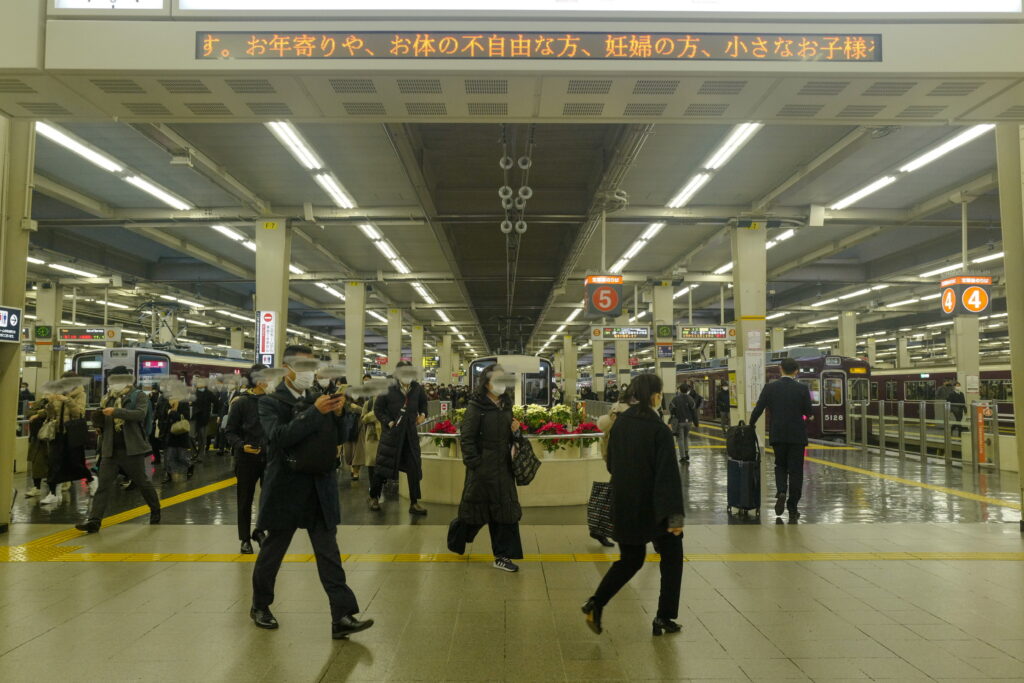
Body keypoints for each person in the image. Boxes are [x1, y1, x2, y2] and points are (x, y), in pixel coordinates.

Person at [250, 345, 373, 639]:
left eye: (311, 366)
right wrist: (314, 414)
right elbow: (279, 438)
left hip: (319, 487)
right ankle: (260, 606)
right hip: (286, 488)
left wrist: (341, 415)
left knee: (328, 553)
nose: (307, 372)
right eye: (301, 366)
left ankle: (342, 615)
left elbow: (341, 438)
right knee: (273, 552)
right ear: (286, 368)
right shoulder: (270, 402)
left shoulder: (321, 398)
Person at [582, 374, 685, 637]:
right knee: (672, 558)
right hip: (655, 509)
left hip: (625, 503)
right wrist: (674, 518)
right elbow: (667, 477)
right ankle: (663, 617)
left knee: (630, 559)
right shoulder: (659, 430)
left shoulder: (620, 425)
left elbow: (611, 463)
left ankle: (596, 603)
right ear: (655, 396)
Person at [449, 365, 524, 572]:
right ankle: (457, 535)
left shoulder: (506, 406)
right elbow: (467, 438)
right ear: (486, 383)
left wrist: (517, 432)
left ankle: (502, 556)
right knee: (475, 512)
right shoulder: (477, 407)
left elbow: (511, 437)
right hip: (483, 470)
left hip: (504, 469)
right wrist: (475, 464)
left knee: (505, 512)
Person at [75, 367, 160, 532]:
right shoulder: (108, 397)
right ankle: (94, 521)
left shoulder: (138, 395)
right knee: (103, 487)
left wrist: (116, 412)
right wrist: (98, 423)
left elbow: (140, 415)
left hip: (132, 449)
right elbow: (104, 419)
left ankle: (155, 511)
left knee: (142, 482)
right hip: (110, 450)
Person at [748, 357, 813, 521]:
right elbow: (809, 412)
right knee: (796, 471)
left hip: (778, 434)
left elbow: (758, 409)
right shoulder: (803, 389)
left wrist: (750, 425)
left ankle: (782, 490)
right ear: (796, 371)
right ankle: (793, 508)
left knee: (780, 465)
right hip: (797, 436)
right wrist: (808, 416)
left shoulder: (770, 388)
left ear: (780, 369)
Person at [370, 361, 428, 515]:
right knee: (383, 467)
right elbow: (378, 409)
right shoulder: (388, 388)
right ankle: (374, 497)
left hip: (410, 435)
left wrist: (423, 415)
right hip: (392, 435)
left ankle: (414, 502)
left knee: (414, 468)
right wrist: (388, 422)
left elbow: (423, 404)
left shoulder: (417, 388)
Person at [224, 364, 268, 554]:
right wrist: (242, 446)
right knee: (245, 499)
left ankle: (259, 530)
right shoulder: (240, 402)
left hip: (268, 458)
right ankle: (244, 539)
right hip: (246, 459)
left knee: (269, 498)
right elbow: (230, 432)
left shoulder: (272, 402)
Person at [39, 372, 95, 504]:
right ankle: (53, 493)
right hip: (56, 433)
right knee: (54, 463)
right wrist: (49, 403)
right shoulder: (55, 393)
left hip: (72, 434)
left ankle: (91, 480)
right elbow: (51, 413)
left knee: (75, 463)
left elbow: (79, 412)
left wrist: (67, 400)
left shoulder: (80, 393)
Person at [161, 399, 192, 483]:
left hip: (181, 434)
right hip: (170, 434)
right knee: (169, 457)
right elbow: (163, 416)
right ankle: (168, 475)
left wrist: (173, 411)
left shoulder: (184, 403)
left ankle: (190, 467)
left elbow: (186, 418)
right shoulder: (167, 403)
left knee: (182, 457)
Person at [669, 384, 698, 463]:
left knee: (680, 439)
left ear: (680, 390)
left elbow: (671, 408)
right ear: (687, 390)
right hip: (689, 422)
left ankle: (683, 457)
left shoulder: (675, 399)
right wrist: (696, 423)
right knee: (685, 438)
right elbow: (694, 411)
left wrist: (674, 415)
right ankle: (686, 453)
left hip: (679, 421)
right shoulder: (690, 399)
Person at [190, 378, 214, 460]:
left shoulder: (209, 393)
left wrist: (210, 414)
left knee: (202, 439)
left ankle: (200, 456)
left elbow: (217, 403)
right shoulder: (194, 393)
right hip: (194, 418)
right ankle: (194, 453)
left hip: (203, 419)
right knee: (191, 436)